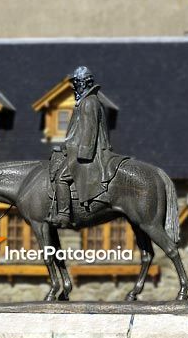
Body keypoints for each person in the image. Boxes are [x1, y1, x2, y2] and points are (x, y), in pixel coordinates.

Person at [47, 65, 128, 227]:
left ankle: (63, 214)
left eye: (75, 83)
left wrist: (74, 154)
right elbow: (77, 133)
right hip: (82, 149)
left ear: (83, 83)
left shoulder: (89, 103)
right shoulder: (86, 101)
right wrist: (64, 148)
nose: (73, 86)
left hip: (88, 154)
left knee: (61, 178)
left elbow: (88, 135)